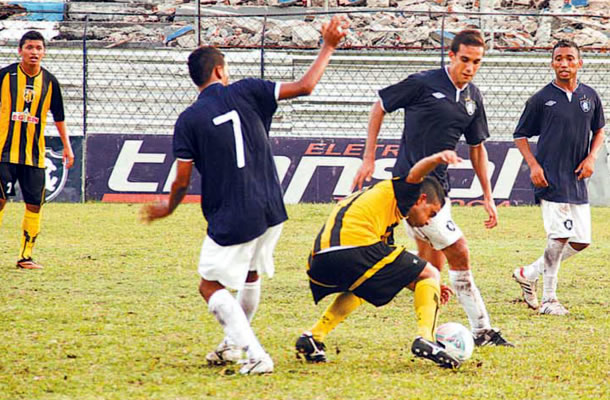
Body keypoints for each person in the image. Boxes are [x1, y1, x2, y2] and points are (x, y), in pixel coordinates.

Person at [140, 16, 348, 375]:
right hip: (272, 207)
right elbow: (306, 86)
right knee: (250, 275)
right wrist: (328, 45)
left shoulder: (189, 119)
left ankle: (255, 355)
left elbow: (182, 180)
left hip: (234, 213)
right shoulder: (248, 89)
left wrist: (167, 208)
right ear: (221, 70)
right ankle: (231, 345)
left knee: (209, 286)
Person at [351, 30, 512, 347]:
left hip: (440, 191)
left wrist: (488, 196)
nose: (469, 67)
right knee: (459, 250)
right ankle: (482, 331)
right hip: (414, 191)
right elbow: (379, 106)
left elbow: (477, 148)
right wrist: (368, 157)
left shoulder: (472, 98)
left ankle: (428, 335)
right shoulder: (423, 83)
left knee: (432, 273)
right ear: (451, 56)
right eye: (464, 59)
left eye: (476, 62)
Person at [296, 150, 463, 369]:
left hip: (320, 261)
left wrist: (427, 288)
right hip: (354, 248)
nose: (427, 222)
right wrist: (437, 159)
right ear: (421, 199)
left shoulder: (379, 207)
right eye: (431, 213)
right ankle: (426, 339)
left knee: (363, 286)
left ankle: (313, 336)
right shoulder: (403, 192)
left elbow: (395, 274)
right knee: (430, 271)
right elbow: (415, 173)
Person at [512, 40, 605, 315]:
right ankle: (549, 300)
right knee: (559, 236)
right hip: (551, 177)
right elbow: (520, 135)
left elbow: (599, 130)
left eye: (569, 58)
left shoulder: (590, 96)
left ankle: (528, 273)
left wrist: (591, 158)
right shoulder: (542, 99)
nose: (564, 64)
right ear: (552, 63)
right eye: (558, 59)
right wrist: (534, 166)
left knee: (581, 240)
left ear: (579, 62)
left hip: (577, 178)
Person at [0, 30, 74, 270]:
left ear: (44, 52)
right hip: (3, 152)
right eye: (29, 47)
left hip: (33, 155)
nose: (34, 52)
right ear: (20, 50)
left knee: (34, 205)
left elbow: (59, 117)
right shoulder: (4, 76)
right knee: (0, 200)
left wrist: (67, 147)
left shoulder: (50, 82)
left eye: (38, 48)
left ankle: (25, 256)